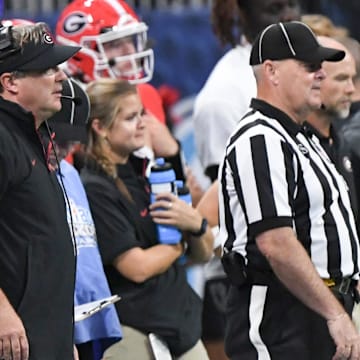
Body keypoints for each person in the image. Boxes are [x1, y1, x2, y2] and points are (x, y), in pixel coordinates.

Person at [218, 20, 360, 359]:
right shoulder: (259, 138)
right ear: (272, 71)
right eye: (309, 67)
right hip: (281, 317)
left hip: (317, 307)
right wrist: (336, 313)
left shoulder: (301, 137)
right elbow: (276, 243)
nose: (319, 75)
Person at [192, 1, 301, 358]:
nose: (287, 14)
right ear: (239, 10)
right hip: (248, 276)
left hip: (300, 267)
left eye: (291, 3)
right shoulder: (222, 95)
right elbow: (225, 206)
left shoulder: (301, 71)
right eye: (274, 6)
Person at [81, 78, 214, 359]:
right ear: (100, 127)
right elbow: (137, 267)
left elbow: (202, 253)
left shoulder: (146, 173)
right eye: (131, 117)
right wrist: (181, 245)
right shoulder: (94, 187)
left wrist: (197, 227)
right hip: (135, 333)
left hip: (181, 328)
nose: (143, 123)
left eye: (142, 113)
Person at [0, 21, 80, 359]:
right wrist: (1, 312)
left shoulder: (33, 135)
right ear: (11, 82)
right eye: (46, 68)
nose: (61, 76)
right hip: (13, 338)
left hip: (44, 335)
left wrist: (61, 336)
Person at [55, 0, 185, 181]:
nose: (130, 51)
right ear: (78, 54)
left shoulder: (145, 95)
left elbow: (181, 193)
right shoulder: (61, 109)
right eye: (114, 44)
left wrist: (173, 154)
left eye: (130, 40)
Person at [47, 78, 123, 360]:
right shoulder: (27, 176)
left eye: (72, 142)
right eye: (58, 140)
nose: (65, 150)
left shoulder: (71, 175)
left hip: (89, 312)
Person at [303, 36, 358, 222]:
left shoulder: (342, 142)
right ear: (313, 79)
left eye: (353, 78)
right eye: (341, 79)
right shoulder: (286, 142)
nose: (351, 89)